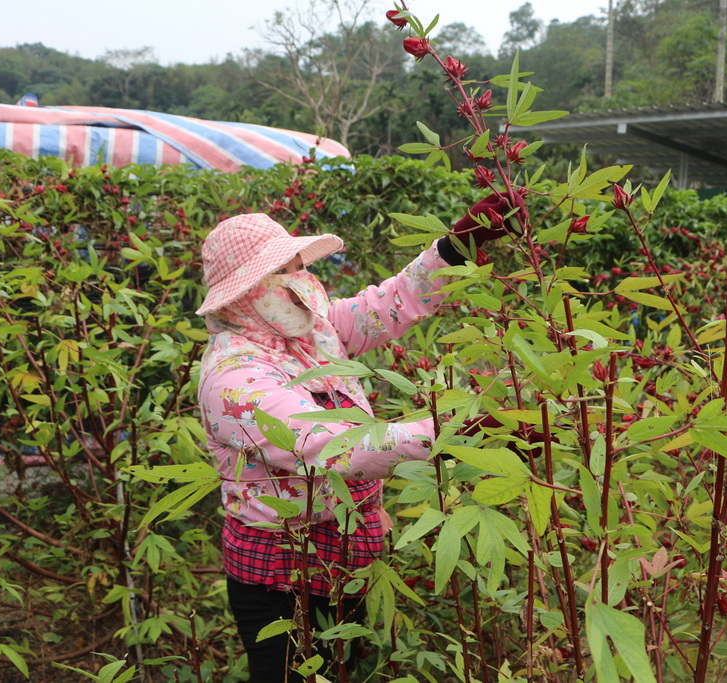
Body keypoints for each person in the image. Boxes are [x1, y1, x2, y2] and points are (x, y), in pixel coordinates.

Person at [195, 192, 525, 682]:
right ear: (244, 292)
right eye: (282, 272)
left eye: (295, 265)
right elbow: (331, 446)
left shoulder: (310, 332)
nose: (299, 281)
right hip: (280, 574)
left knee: (342, 670)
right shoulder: (232, 377)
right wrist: (462, 430)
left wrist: (454, 249)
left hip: (349, 550)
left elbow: (382, 309)